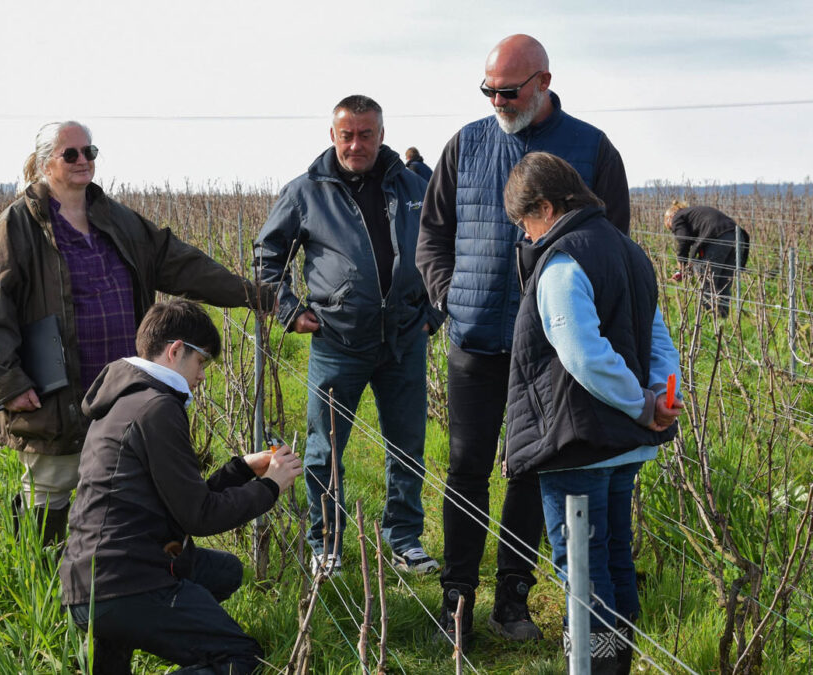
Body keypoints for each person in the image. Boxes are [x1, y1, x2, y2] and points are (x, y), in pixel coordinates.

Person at [416, 33, 631, 645]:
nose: (496, 100)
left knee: (532, 468)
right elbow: (433, 232)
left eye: (508, 91)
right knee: (465, 468)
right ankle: (455, 604)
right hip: (476, 338)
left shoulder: (591, 150)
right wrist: (447, 294)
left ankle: (511, 602)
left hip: (551, 350)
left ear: (543, 81)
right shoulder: (466, 143)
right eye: (487, 90)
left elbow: (610, 244)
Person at [0, 121, 275, 546]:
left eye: (89, 152)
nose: (83, 161)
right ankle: (41, 591)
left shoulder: (116, 219)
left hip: (119, 387)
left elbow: (181, 264)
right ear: (44, 164)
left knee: (126, 490)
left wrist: (254, 294)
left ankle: (116, 584)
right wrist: (8, 382)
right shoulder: (19, 225)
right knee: (51, 491)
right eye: (70, 154)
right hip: (57, 391)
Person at [502, 152, 683, 672]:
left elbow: (583, 354)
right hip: (623, 443)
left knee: (582, 567)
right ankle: (617, 663)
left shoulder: (561, 263)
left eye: (526, 221)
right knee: (615, 556)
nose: (527, 234)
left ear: (548, 206)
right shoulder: (630, 251)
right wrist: (661, 396)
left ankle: (596, 666)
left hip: (577, 443)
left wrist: (644, 405)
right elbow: (658, 338)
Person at [255, 95, 445, 576]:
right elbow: (268, 257)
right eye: (347, 135)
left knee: (408, 444)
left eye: (366, 134)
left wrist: (434, 313)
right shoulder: (306, 192)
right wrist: (290, 310)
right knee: (325, 447)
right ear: (332, 135)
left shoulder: (416, 184)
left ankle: (403, 537)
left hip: (405, 338)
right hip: (339, 342)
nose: (356, 144)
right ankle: (327, 542)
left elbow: (448, 249)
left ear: (382, 134)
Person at [60, 299, 303, 674]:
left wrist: (241, 469)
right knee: (240, 658)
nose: (202, 375)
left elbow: (180, 499)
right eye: (201, 362)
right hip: (127, 581)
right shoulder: (157, 407)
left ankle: (124, 642)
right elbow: (198, 516)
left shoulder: (125, 400)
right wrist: (271, 486)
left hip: (92, 578)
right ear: (175, 351)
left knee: (225, 573)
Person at [664, 201, 750, 317]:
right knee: (724, 282)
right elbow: (695, 244)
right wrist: (686, 268)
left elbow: (683, 240)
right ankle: (722, 318)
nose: (673, 230)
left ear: (669, 218)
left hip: (719, 238)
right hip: (738, 236)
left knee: (707, 281)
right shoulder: (693, 214)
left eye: (671, 229)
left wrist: (681, 263)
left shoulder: (677, 217)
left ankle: (709, 317)